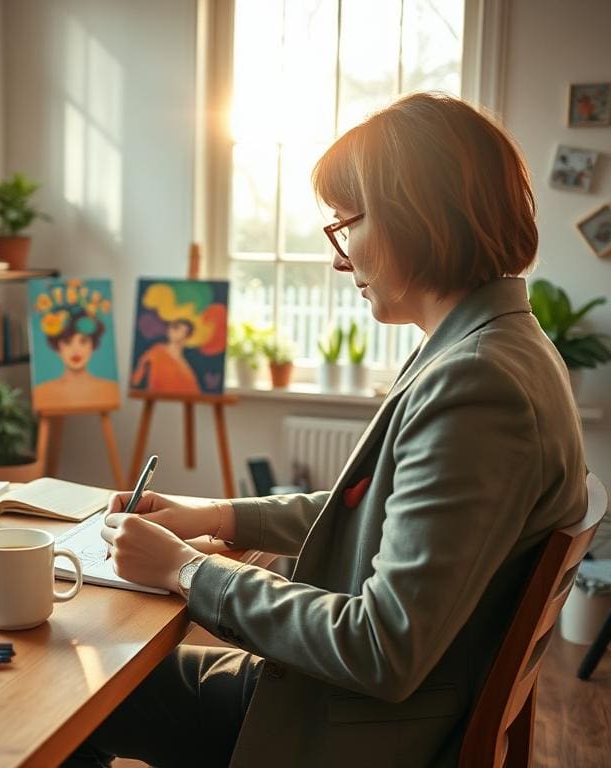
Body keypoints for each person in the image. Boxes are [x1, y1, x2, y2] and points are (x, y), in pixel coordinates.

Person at [65, 93, 588, 767]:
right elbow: (374, 511)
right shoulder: (494, 346)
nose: (340, 260)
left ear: (414, 220)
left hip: (348, 733)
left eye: (345, 226)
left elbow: (381, 646)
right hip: (356, 710)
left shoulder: (478, 385)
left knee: (71, 697)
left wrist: (187, 571)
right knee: (94, 682)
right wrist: (214, 517)